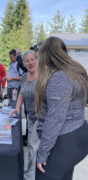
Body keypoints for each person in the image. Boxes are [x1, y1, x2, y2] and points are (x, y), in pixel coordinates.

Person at [35, 37, 88, 180]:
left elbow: (55, 119)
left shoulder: (61, 77)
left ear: (47, 55)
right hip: (77, 132)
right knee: (65, 175)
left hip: (66, 137)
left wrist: (43, 152)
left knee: (44, 174)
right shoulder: (76, 72)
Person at [10, 50, 40, 180]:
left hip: (42, 118)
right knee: (32, 147)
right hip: (31, 118)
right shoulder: (24, 77)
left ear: (37, 59)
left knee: (34, 147)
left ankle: (31, 176)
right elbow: (21, 93)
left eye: (32, 59)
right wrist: (17, 107)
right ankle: (32, 172)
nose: (30, 63)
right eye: (26, 61)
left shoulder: (44, 76)